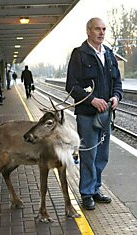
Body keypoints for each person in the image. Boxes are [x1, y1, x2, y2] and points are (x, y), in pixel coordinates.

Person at [66, 17, 123, 210]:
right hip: (87, 115)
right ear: (88, 31)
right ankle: (87, 193)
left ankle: (96, 188)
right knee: (89, 155)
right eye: (97, 29)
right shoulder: (79, 54)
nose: (101, 33)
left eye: (104, 29)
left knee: (102, 155)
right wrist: (92, 100)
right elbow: (71, 85)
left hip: (106, 114)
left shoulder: (108, 53)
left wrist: (116, 97)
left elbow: (117, 82)